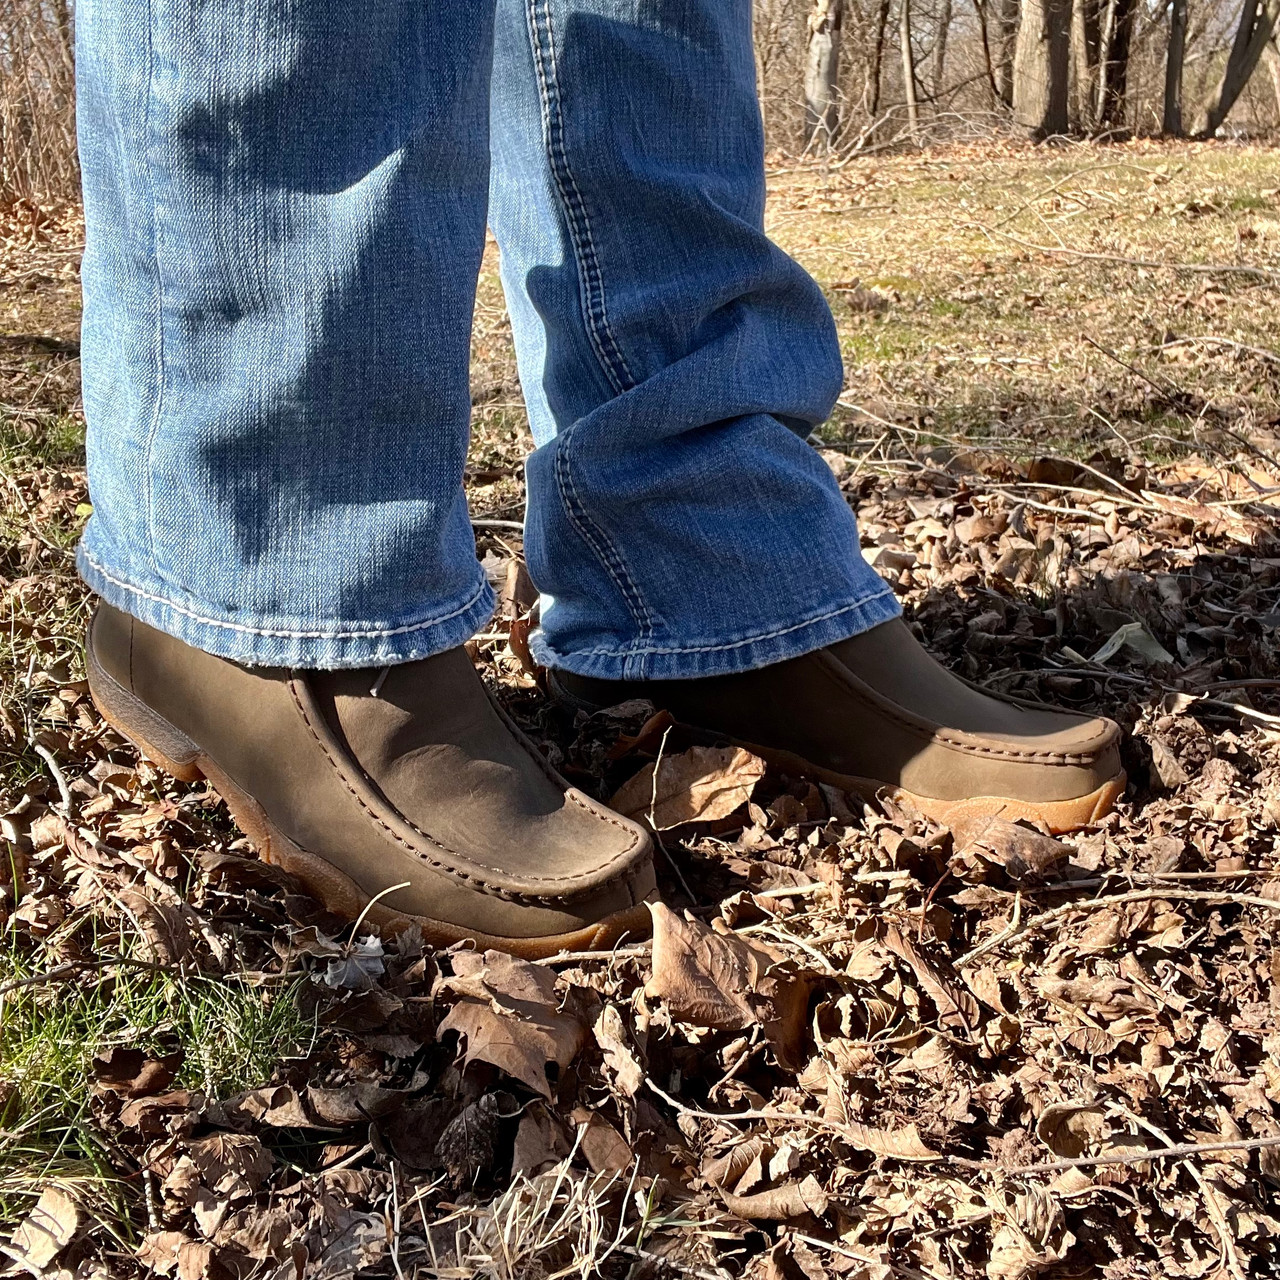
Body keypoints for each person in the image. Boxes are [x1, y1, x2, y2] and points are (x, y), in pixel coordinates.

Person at [76, 0, 1125, 959]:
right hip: (258, 547)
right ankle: (253, 567)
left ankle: (697, 568)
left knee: (646, 24)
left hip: (707, 536)